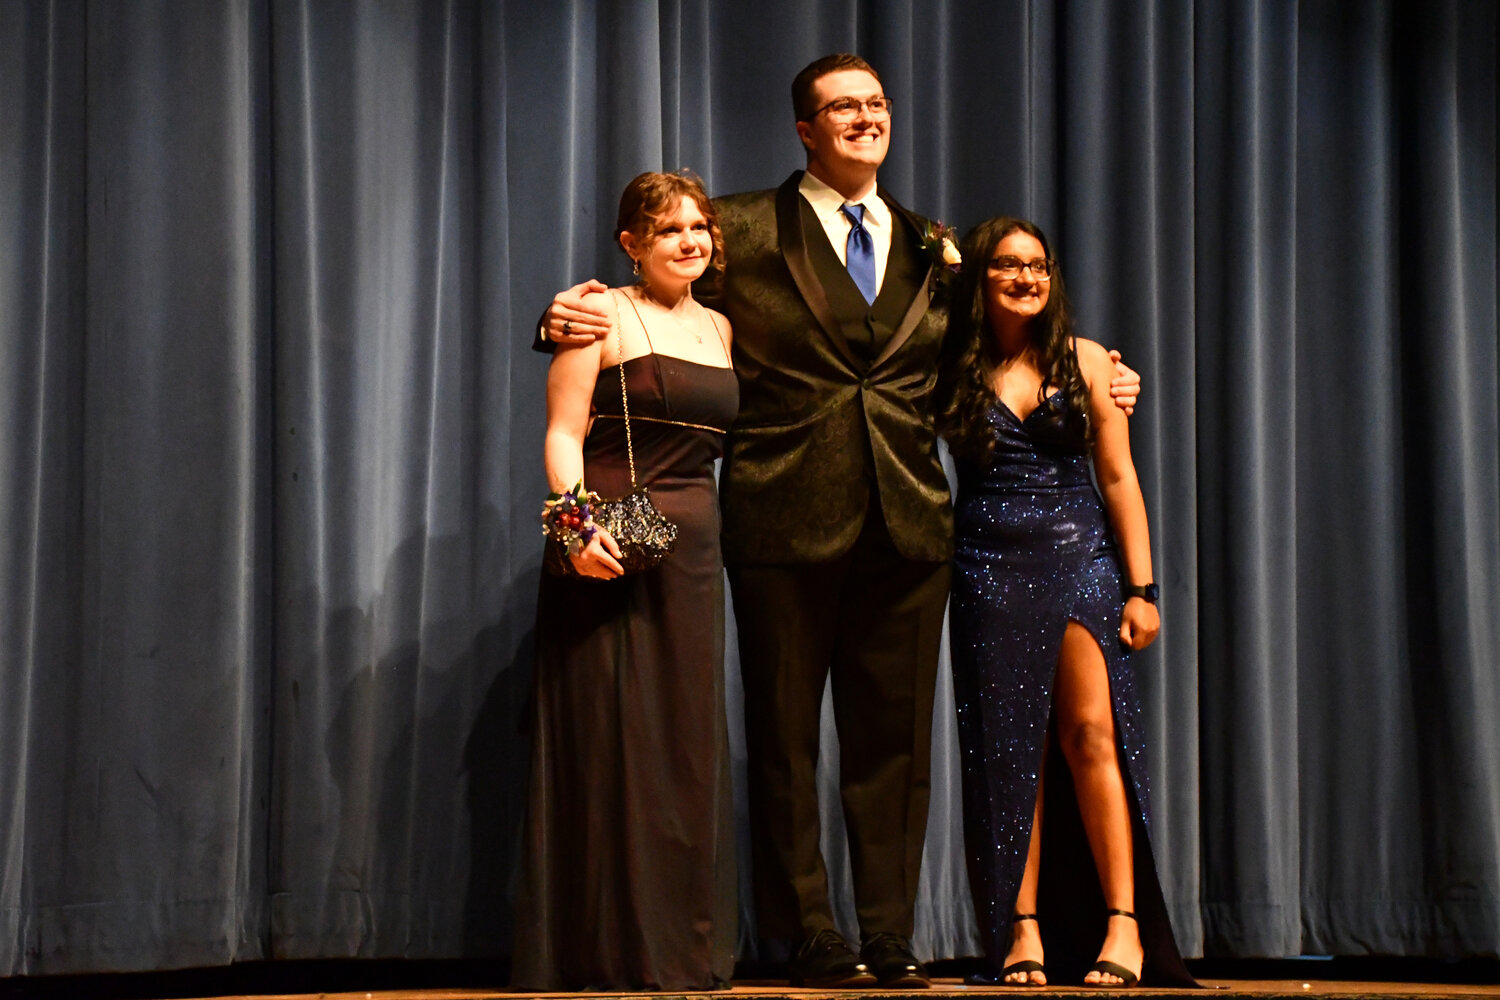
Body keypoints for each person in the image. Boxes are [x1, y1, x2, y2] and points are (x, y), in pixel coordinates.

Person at [539, 55, 1140, 988]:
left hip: (909, 523)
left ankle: (891, 935)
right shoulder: (735, 227)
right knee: (783, 738)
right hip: (780, 516)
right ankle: (812, 935)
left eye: (876, 104)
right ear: (806, 130)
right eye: (842, 108)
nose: (865, 118)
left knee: (895, 747)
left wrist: (1102, 379)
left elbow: (991, 346)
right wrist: (559, 314)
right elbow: (658, 292)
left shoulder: (933, 245)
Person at [936, 217, 1193, 988]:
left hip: (1079, 557)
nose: (1027, 278)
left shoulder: (1085, 362)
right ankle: (1023, 931)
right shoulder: (948, 364)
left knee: (1090, 734)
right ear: (980, 277)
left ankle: (1124, 925)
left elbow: (1118, 477)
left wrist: (1143, 589)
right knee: (1012, 752)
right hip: (985, 563)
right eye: (1009, 265)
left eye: (1039, 266)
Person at [511, 171, 740, 992]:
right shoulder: (597, 313)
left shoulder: (720, 326)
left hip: (693, 551)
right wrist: (574, 531)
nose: (689, 241)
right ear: (630, 243)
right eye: (669, 228)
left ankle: (678, 950)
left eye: (699, 228)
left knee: (680, 746)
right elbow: (564, 433)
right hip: (606, 534)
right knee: (610, 738)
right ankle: (597, 950)